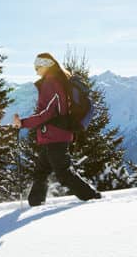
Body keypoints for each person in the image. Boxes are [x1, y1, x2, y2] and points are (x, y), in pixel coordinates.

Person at [11, 53, 100, 206]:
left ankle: (92, 197)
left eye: (37, 67)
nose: (36, 70)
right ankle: (35, 203)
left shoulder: (50, 83)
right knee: (41, 172)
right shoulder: (55, 81)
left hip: (55, 136)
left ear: (45, 66)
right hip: (52, 136)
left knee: (64, 173)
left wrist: (23, 123)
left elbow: (46, 113)